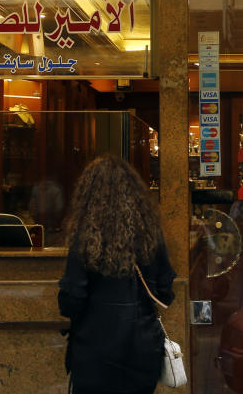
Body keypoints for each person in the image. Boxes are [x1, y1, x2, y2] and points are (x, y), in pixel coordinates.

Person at [58, 155, 176, 394]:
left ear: (88, 194)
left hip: (95, 352)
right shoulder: (150, 235)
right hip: (143, 350)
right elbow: (166, 290)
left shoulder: (85, 237)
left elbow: (71, 300)